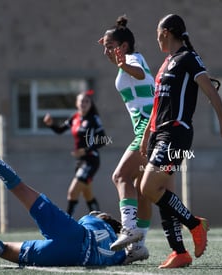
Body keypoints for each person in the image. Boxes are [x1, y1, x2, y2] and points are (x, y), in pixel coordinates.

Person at [0, 121, 126, 267]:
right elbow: (134, 255)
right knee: (5, 250)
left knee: (18, 186)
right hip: (66, 257)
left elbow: (90, 221)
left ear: (103, 216)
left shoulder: (93, 221)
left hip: (74, 233)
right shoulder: (118, 253)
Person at [137, 14, 222, 268]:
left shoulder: (188, 59)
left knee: (148, 187)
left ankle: (195, 224)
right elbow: (159, 103)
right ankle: (179, 252)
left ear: (166, 32)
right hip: (159, 133)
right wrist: (148, 131)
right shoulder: (166, 63)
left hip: (176, 133)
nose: (156, 37)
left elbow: (210, 91)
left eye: (157, 32)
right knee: (162, 192)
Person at [98, 15, 154, 264]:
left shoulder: (133, 59)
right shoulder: (129, 58)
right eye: (104, 45)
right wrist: (115, 54)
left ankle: (129, 230)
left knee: (119, 176)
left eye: (110, 45)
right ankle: (138, 247)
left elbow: (139, 74)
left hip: (147, 126)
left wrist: (122, 64)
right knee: (142, 193)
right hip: (152, 126)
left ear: (123, 47)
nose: (106, 49)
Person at [43, 90, 105, 216]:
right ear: (77, 103)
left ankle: (67, 222)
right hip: (80, 161)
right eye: (81, 101)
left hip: (91, 160)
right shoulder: (75, 117)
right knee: (87, 194)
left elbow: (102, 140)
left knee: (73, 192)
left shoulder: (94, 119)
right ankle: (103, 221)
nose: (84, 103)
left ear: (90, 104)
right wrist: (51, 124)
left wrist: (86, 150)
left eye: (87, 101)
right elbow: (60, 130)